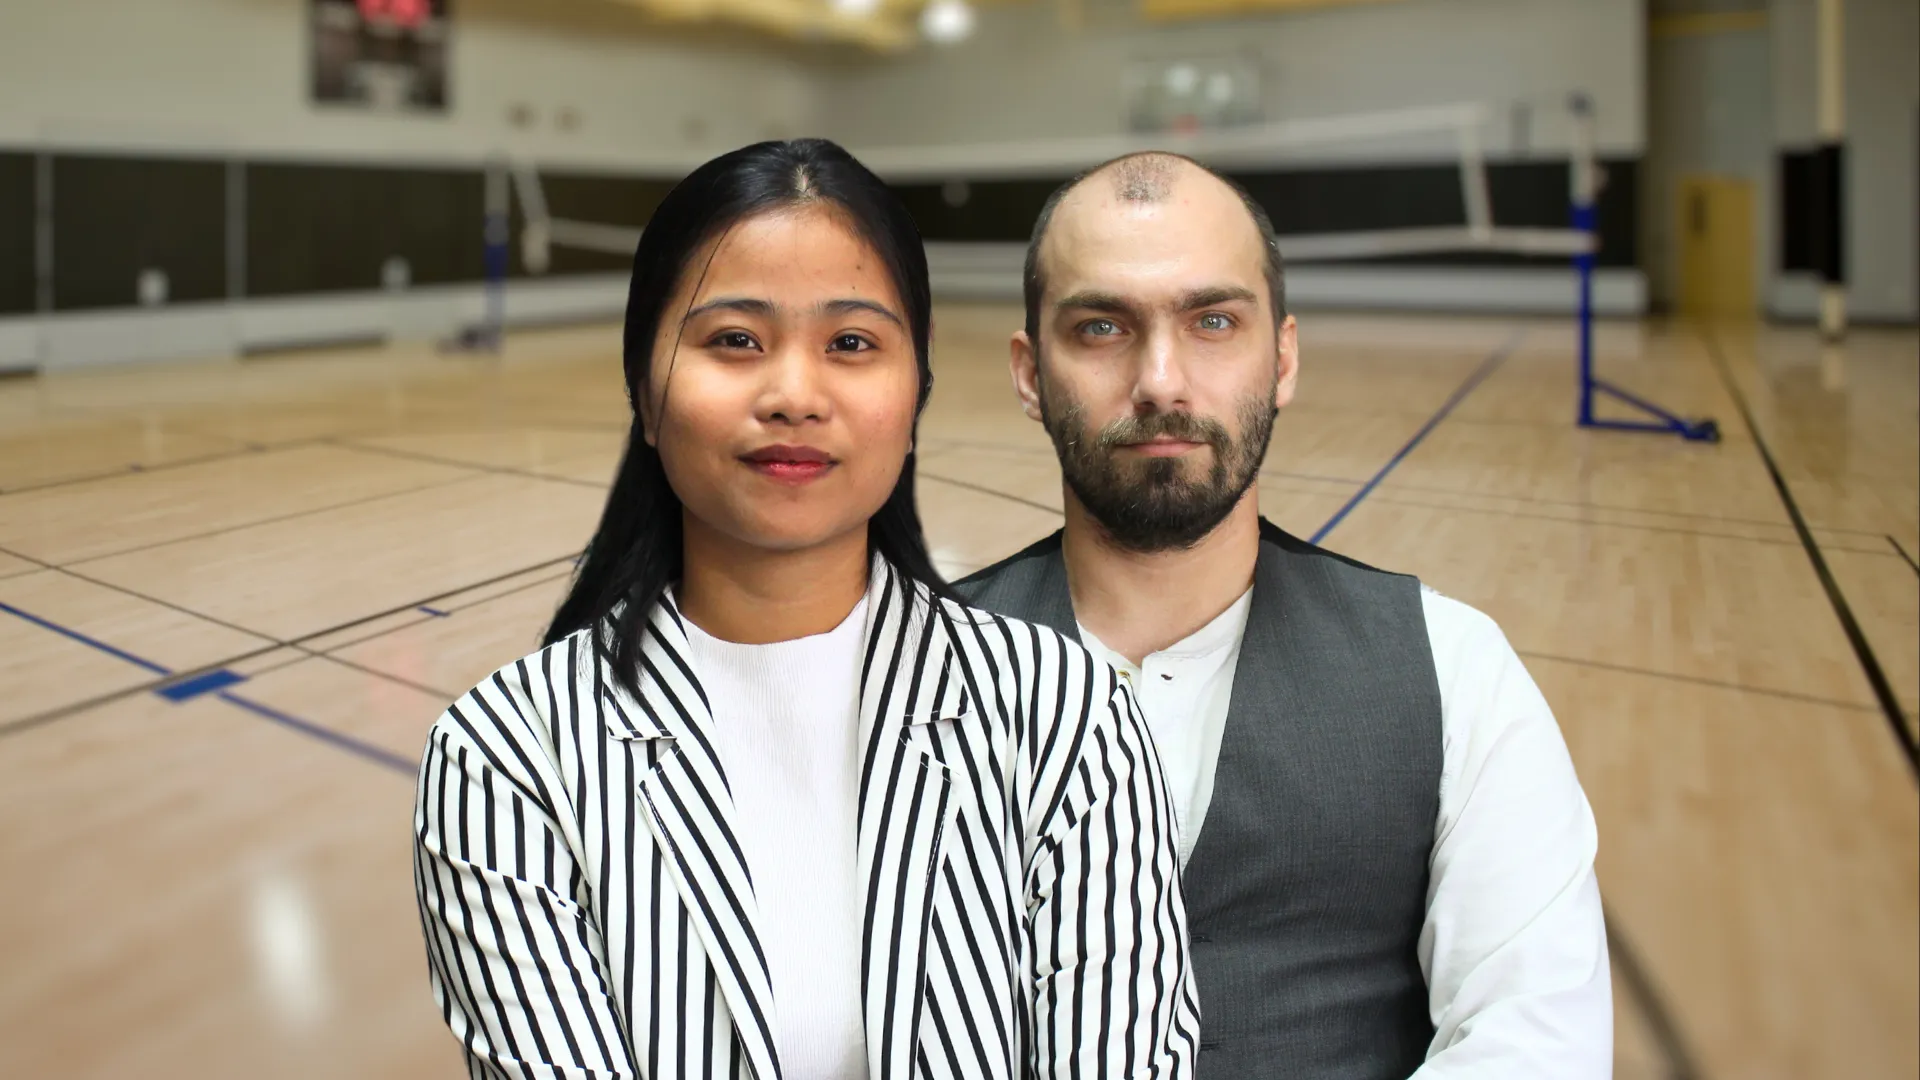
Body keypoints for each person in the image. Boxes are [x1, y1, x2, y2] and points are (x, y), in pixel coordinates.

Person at [411, 139, 1199, 1080]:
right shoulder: (507, 759)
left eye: (852, 344)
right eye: (734, 340)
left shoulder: (1070, 716)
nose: (794, 395)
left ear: (915, 396)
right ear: (645, 394)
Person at [955, 151, 1612, 1078]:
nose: (1161, 380)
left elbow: (1535, 1041)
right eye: (1101, 327)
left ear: (1284, 357)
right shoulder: (900, 675)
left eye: (1213, 321)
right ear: (1030, 374)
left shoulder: (1452, 669)